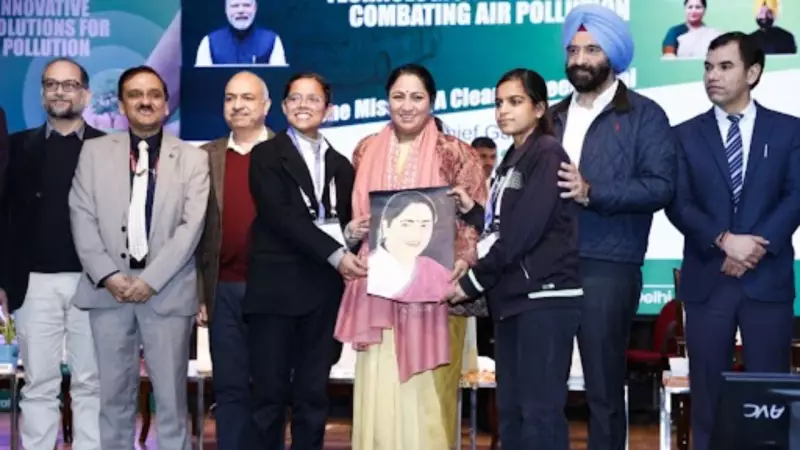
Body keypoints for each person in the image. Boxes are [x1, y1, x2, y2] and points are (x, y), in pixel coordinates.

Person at [334, 63, 487, 450]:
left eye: (417, 97)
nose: (406, 105)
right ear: (386, 101)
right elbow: (353, 214)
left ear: (432, 102)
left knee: (430, 396)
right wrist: (354, 232)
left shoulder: (455, 152)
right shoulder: (365, 149)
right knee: (379, 386)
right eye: (398, 96)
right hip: (377, 291)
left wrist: (464, 258)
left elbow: (477, 216)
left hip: (435, 296)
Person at [665, 31, 800, 450]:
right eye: (708, 67)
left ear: (753, 72)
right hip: (709, 280)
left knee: (769, 401)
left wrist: (754, 247)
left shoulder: (789, 130)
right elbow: (679, 203)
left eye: (725, 67)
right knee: (707, 399)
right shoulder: (683, 135)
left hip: (767, 281)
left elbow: (795, 196)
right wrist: (724, 240)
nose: (713, 76)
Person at [553, 5, 676, 450]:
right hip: (547, 264)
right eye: (573, 50)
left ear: (614, 55)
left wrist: (592, 191)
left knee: (603, 390)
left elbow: (661, 187)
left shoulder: (645, 115)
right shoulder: (552, 116)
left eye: (592, 50)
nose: (579, 60)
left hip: (608, 263)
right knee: (543, 386)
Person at [68, 66, 210, 450]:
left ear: (166, 104)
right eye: (135, 94)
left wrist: (150, 280)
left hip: (167, 292)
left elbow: (191, 226)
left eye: (154, 95)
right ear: (121, 105)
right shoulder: (93, 152)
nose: (145, 101)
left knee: (171, 401)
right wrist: (109, 275)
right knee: (113, 399)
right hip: (108, 293)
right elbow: (81, 215)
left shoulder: (193, 159)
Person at [445, 67, 582, 450]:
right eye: (499, 102)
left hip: (544, 300)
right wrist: (475, 212)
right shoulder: (512, 157)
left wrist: (471, 282)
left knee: (539, 413)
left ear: (539, 108)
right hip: (512, 300)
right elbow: (502, 225)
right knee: (513, 412)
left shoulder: (547, 153)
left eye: (515, 101)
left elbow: (523, 232)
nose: (503, 110)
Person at [246, 72, 355, 450]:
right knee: (268, 395)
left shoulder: (342, 166)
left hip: (322, 292)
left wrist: (353, 236)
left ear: (329, 110)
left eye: (313, 99)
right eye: (295, 98)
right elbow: (281, 216)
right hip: (274, 292)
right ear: (283, 106)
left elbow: (338, 224)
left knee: (313, 396)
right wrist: (337, 254)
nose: (303, 105)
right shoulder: (265, 155)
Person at [0, 57, 104, 450]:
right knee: (38, 384)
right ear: (42, 93)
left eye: (69, 84)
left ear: (86, 95)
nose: (60, 92)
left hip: (94, 283)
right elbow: (3, 215)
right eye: (51, 84)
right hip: (32, 284)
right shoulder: (15, 147)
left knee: (91, 383)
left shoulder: (109, 148)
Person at [196, 71, 274, 450]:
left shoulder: (286, 152)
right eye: (230, 98)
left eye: (247, 97)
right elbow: (191, 231)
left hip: (274, 292)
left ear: (266, 106)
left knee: (270, 389)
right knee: (229, 388)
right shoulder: (203, 157)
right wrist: (199, 294)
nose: (238, 105)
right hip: (222, 290)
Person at [367, 190, 452, 301]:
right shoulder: (367, 270)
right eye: (406, 224)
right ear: (386, 226)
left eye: (424, 225)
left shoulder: (436, 272)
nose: (416, 233)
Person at [195, 0, 287, 67]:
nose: (241, 11)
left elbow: (279, 79)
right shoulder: (209, 42)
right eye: (235, 6)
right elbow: (202, 80)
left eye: (246, 5)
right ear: (226, 10)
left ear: (255, 8)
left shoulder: (272, 41)